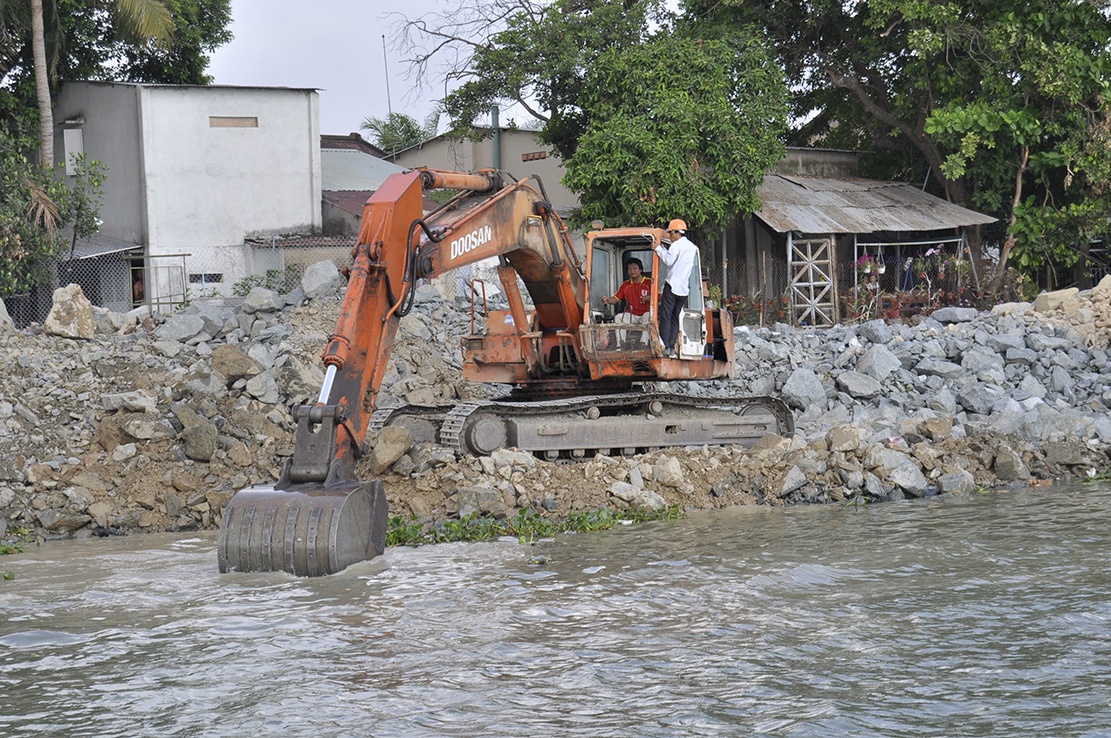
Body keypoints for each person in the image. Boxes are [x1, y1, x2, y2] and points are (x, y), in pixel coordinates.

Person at [655, 218, 699, 356]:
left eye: (670, 233)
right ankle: (671, 347)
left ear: (676, 232)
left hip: (672, 285)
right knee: (675, 317)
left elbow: (668, 260)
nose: (669, 236)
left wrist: (657, 248)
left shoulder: (676, 245)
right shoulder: (692, 247)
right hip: (683, 289)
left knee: (665, 315)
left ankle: (664, 345)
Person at [601, 258, 652, 345]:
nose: (632, 271)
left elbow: (659, 297)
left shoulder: (649, 282)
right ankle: (621, 344)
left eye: (634, 268)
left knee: (649, 315)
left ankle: (643, 343)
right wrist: (607, 299)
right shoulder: (626, 285)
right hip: (631, 314)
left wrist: (649, 297)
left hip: (645, 314)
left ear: (641, 269)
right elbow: (615, 299)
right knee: (618, 317)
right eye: (629, 269)